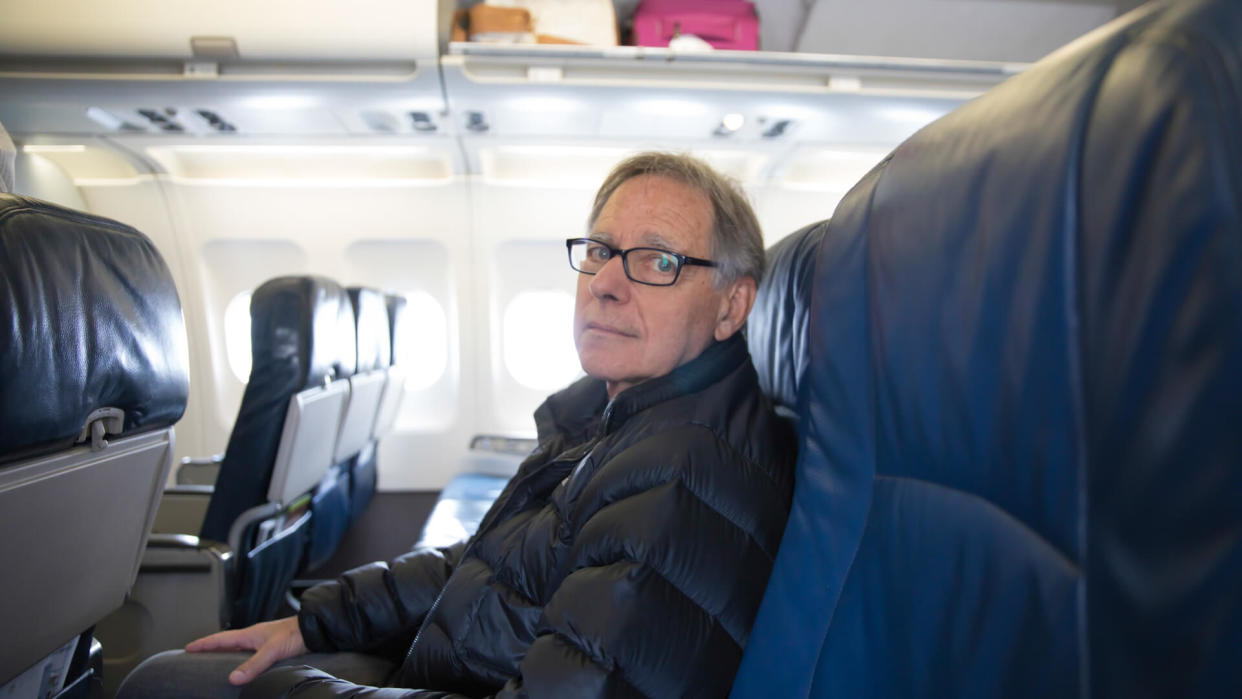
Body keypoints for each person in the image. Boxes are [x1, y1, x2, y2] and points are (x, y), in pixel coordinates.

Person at [118, 151, 796, 698]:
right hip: (453, 667)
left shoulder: (679, 482)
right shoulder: (618, 416)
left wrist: (295, 690)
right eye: (599, 249)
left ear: (732, 306)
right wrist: (317, 619)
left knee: (163, 683)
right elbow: (485, 562)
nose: (605, 282)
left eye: (657, 260)